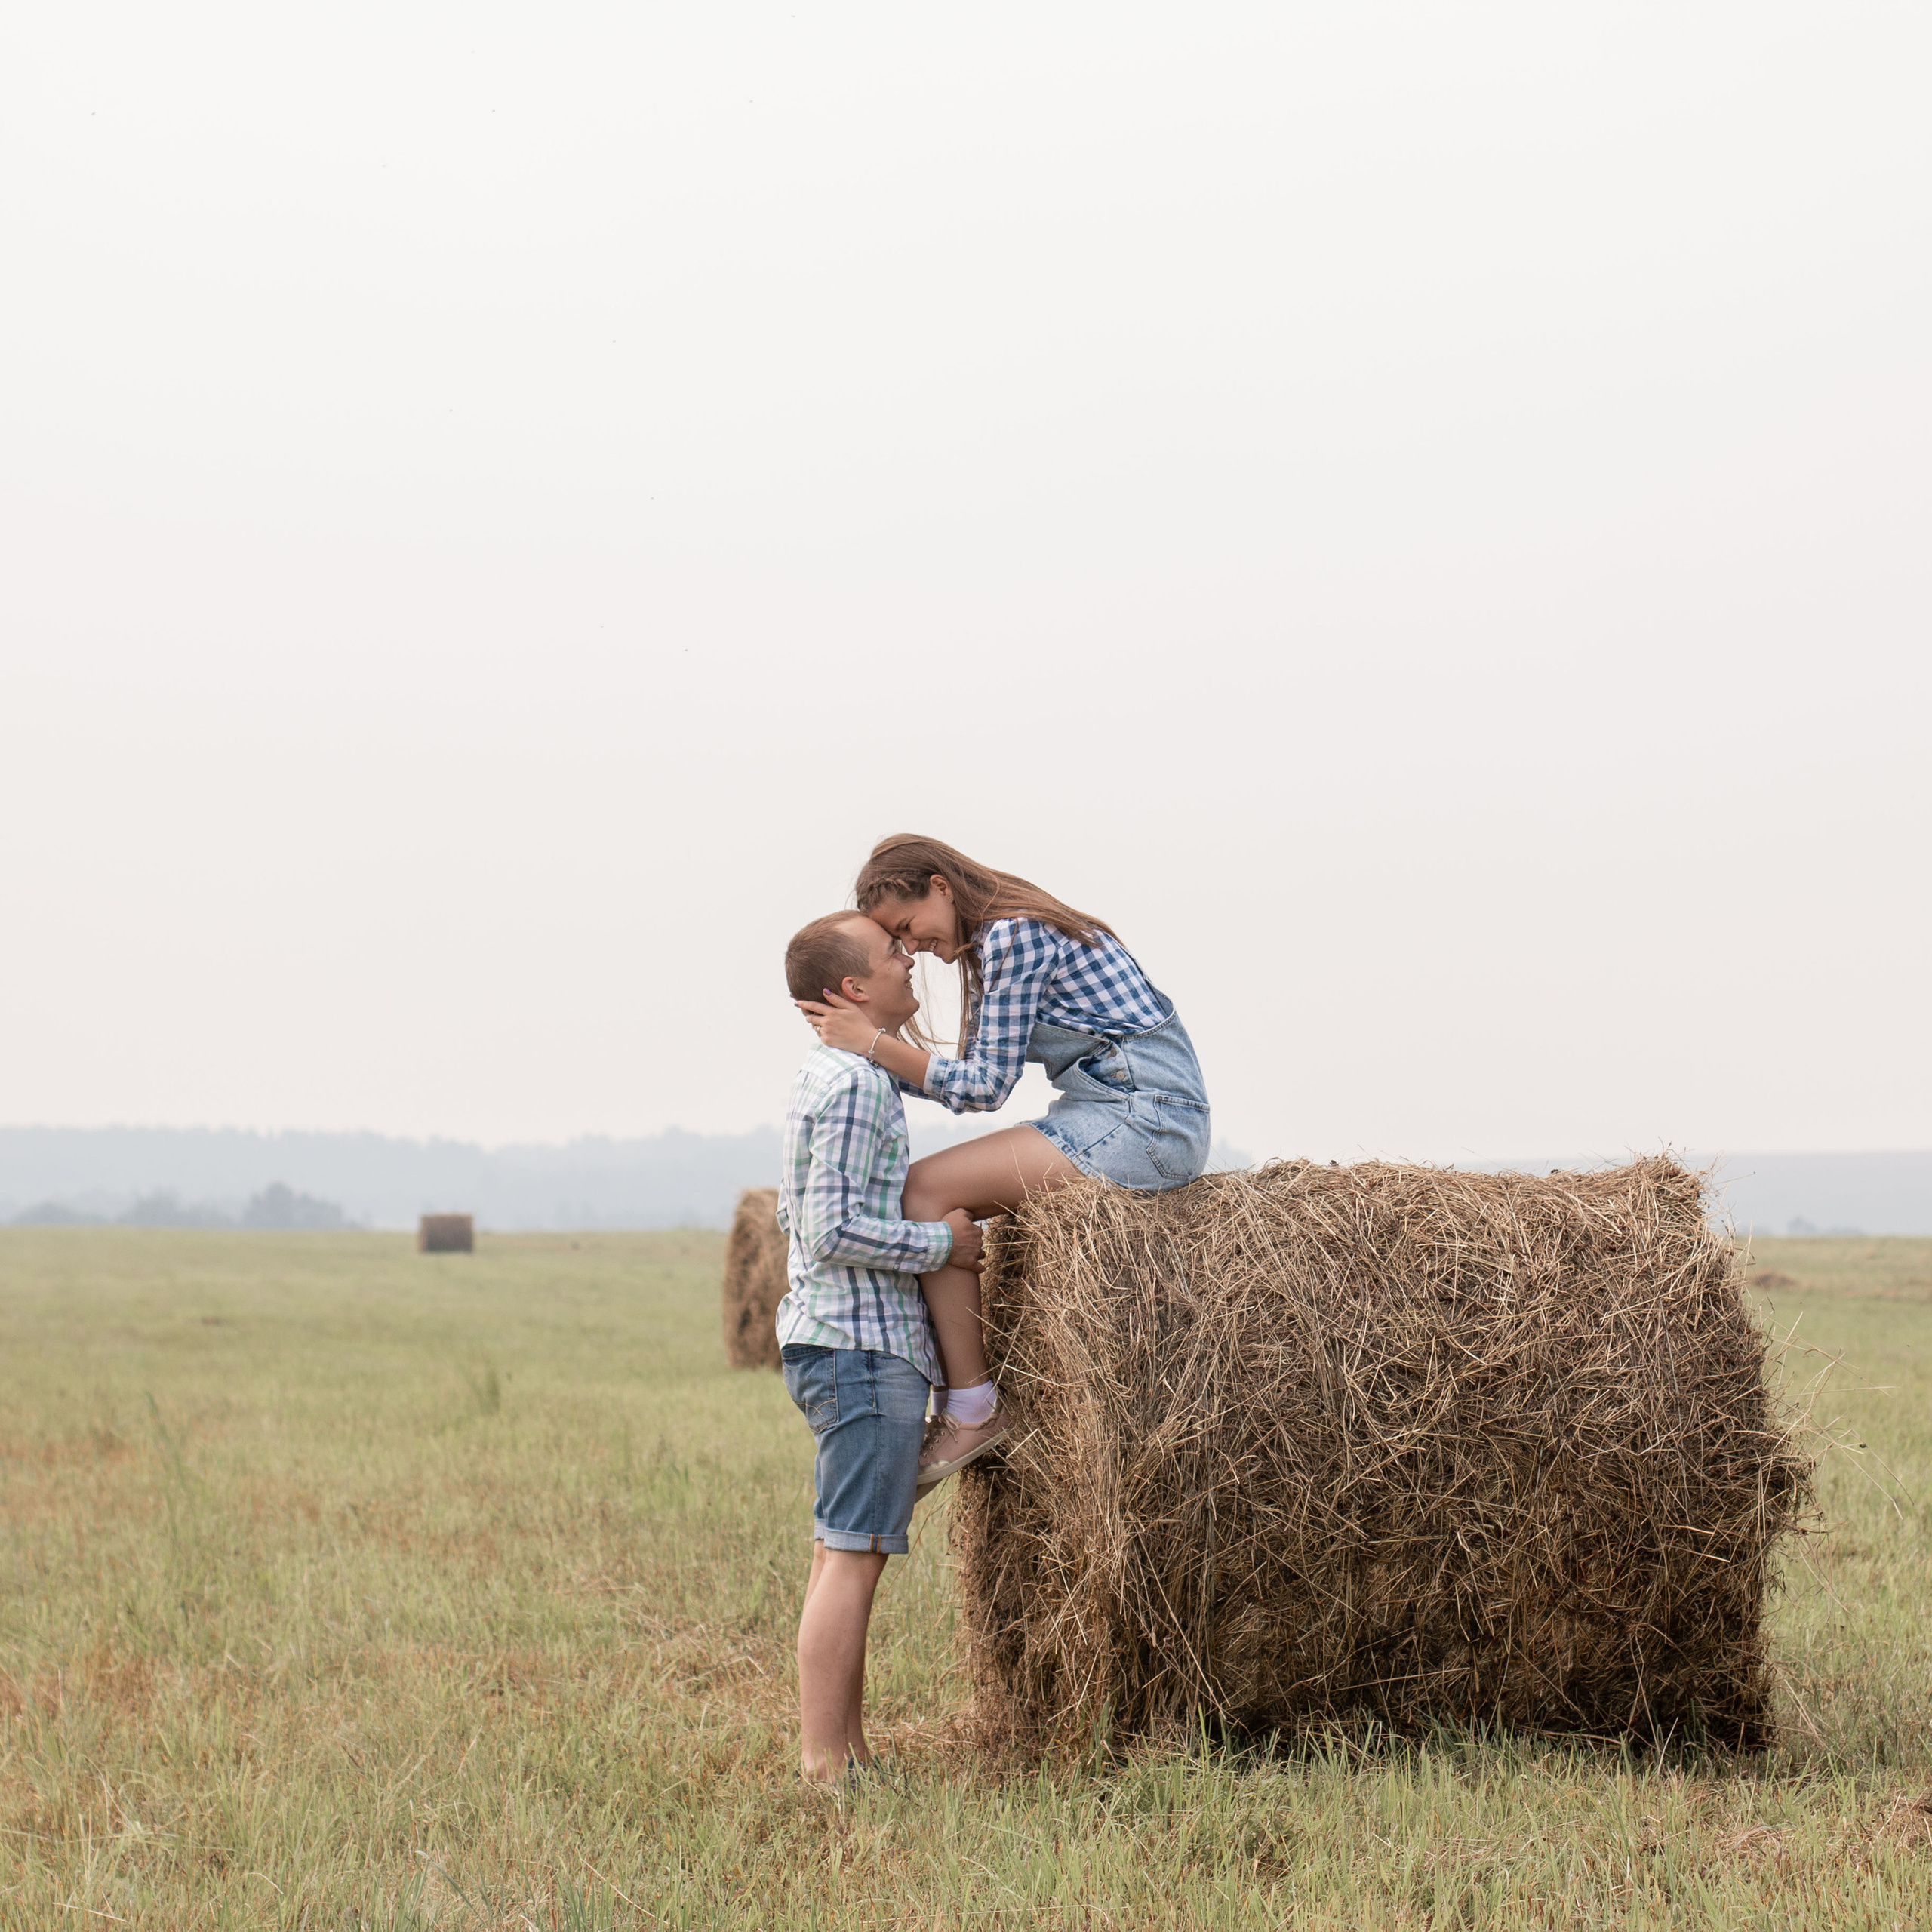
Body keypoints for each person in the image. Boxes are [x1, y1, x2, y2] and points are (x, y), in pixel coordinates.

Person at [797, 834, 1211, 1492]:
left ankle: (970, 1410)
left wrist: (870, 1041)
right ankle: (960, 1396)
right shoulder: (999, 938)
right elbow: (959, 1078)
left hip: (1146, 1118)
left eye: (909, 929)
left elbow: (980, 1088)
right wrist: (858, 1045)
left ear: (940, 886)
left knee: (926, 1193)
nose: (914, 950)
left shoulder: (1014, 936)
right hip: (1113, 1108)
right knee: (928, 1191)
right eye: (897, 944)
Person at [775, 909, 985, 1785]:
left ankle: (851, 1750)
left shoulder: (827, 1077)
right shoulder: (859, 1087)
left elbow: (794, 1216)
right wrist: (947, 1248)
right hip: (862, 1352)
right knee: (852, 1560)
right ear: (850, 989)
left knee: (843, 1552)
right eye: (892, 952)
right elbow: (827, 1231)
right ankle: (827, 1765)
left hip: (836, 1346)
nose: (910, 961)